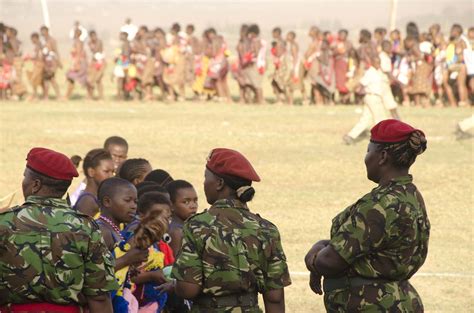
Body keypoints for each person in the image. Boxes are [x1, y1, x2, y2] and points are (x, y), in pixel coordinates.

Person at [305, 119, 429, 312]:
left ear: (382, 156)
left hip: (371, 304)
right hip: (401, 300)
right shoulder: (411, 196)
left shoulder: (378, 205)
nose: (366, 157)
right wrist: (325, 245)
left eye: (368, 150)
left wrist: (313, 258)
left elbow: (330, 262)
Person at [171, 148, 291, 312]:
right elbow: (275, 298)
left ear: (219, 183)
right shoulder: (266, 229)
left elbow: (188, 289)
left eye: (206, 178)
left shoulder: (197, 225)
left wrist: (174, 284)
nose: (204, 183)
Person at [0, 147, 118, 312]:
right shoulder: (85, 228)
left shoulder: (4, 223)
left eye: (25, 177)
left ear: (35, 185)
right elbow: (99, 297)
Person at [95, 177, 150, 311]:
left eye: (136, 201)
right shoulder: (102, 230)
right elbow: (95, 273)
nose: (133, 206)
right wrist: (127, 259)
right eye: (127, 200)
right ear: (107, 201)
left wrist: (129, 269)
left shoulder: (114, 229)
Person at [343, 56, 390, 145]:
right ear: (372, 63)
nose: (378, 65)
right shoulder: (370, 73)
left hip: (376, 97)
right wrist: (350, 93)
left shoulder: (378, 72)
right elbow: (361, 83)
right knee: (380, 118)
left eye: (379, 63)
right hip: (372, 97)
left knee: (365, 119)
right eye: (377, 63)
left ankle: (350, 136)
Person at [74, 148, 114, 218]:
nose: (111, 176)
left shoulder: (96, 198)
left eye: (113, 171)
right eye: (106, 171)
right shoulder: (88, 202)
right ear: (91, 172)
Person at [166, 179, 198, 257]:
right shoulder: (177, 232)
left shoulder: (185, 227)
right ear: (171, 205)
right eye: (186, 202)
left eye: (195, 200)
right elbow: (177, 265)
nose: (193, 206)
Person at [65, 29, 89, 100]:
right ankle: (67, 95)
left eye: (75, 33)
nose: (74, 34)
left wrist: (77, 64)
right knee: (71, 78)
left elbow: (78, 53)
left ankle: (67, 95)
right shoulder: (78, 42)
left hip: (79, 62)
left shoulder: (78, 42)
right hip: (78, 61)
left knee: (71, 77)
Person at [40, 26, 62, 100]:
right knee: (47, 79)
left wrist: (58, 62)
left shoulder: (52, 40)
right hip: (46, 62)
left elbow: (56, 51)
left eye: (44, 31)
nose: (42, 33)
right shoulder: (43, 41)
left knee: (51, 78)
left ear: (47, 31)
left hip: (52, 62)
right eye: (41, 31)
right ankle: (47, 96)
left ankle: (57, 95)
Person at [285, 31, 306, 105]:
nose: (286, 37)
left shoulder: (293, 45)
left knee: (297, 84)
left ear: (292, 37)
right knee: (296, 84)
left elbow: (295, 57)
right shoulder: (292, 44)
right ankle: (292, 101)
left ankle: (302, 100)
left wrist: (294, 68)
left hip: (296, 65)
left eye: (288, 36)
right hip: (296, 64)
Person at [333, 29, 352, 104]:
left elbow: (349, 52)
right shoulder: (336, 43)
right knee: (339, 82)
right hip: (338, 64)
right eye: (340, 34)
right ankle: (341, 99)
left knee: (347, 82)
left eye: (343, 34)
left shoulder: (349, 43)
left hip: (347, 64)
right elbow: (334, 52)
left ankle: (347, 99)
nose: (341, 36)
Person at [87, 30, 106, 100]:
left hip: (101, 62)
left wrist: (91, 45)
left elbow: (95, 50)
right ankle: (90, 95)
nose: (93, 38)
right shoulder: (90, 43)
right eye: (92, 37)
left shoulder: (99, 42)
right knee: (90, 80)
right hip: (94, 62)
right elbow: (92, 52)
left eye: (94, 36)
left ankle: (101, 96)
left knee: (98, 79)